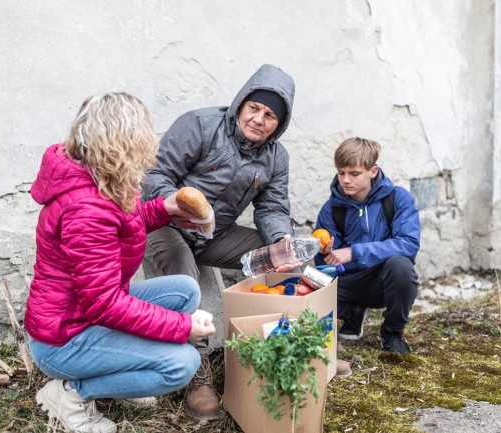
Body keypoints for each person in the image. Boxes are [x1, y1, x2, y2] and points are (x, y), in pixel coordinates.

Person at [142, 63, 350, 419]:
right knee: (183, 274)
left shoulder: (276, 157)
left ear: (279, 123)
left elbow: (271, 209)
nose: (259, 119)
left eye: (270, 115)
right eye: (254, 108)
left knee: (291, 259)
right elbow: (157, 173)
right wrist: (176, 206)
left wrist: (281, 241)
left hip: (215, 234)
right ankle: (198, 372)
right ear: (241, 103)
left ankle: (306, 348)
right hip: (164, 226)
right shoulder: (200, 125)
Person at [25, 92, 216, 433]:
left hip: (81, 318)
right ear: (119, 146)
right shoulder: (86, 210)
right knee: (180, 364)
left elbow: (118, 226)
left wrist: (163, 208)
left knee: (184, 290)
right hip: (64, 340)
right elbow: (103, 305)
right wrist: (182, 328)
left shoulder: (95, 180)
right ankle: (71, 395)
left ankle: (122, 374)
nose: (147, 149)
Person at [314, 137, 421, 355]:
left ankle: (392, 333)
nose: (345, 180)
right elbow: (324, 265)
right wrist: (323, 252)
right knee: (312, 281)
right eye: (341, 172)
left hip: (381, 283)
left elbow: (408, 244)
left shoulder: (397, 199)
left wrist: (355, 252)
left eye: (354, 174)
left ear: (373, 171)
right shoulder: (332, 209)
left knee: (402, 267)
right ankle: (352, 313)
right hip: (349, 282)